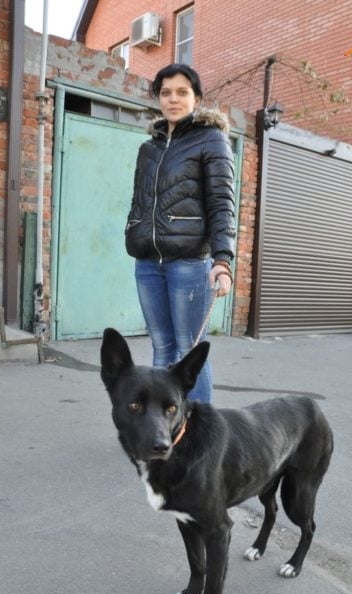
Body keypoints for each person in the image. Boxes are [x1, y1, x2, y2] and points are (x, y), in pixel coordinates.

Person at [125, 63, 236, 403]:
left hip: (189, 261)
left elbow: (221, 203)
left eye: (182, 92)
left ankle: (201, 433)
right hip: (147, 261)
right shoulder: (150, 148)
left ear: (196, 98)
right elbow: (140, 200)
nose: (173, 99)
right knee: (161, 346)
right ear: (158, 97)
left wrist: (222, 260)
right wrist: (134, 229)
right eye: (166, 92)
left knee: (188, 351)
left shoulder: (211, 140)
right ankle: (165, 430)